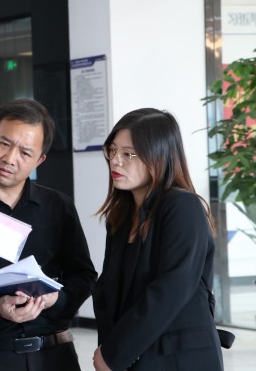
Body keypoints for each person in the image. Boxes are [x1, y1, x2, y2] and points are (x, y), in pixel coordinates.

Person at [0, 98, 97, 371]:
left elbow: (84, 276)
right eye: (4, 143)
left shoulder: (58, 207)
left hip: (54, 356)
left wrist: (57, 299)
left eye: (25, 152)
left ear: (39, 160)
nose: (10, 159)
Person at [91, 108, 223, 371]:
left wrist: (115, 353)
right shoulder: (120, 217)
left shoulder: (182, 206)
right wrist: (108, 349)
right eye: (112, 150)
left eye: (128, 154)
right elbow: (107, 291)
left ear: (158, 156)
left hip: (178, 358)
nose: (116, 161)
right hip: (134, 355)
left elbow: (172, 288)